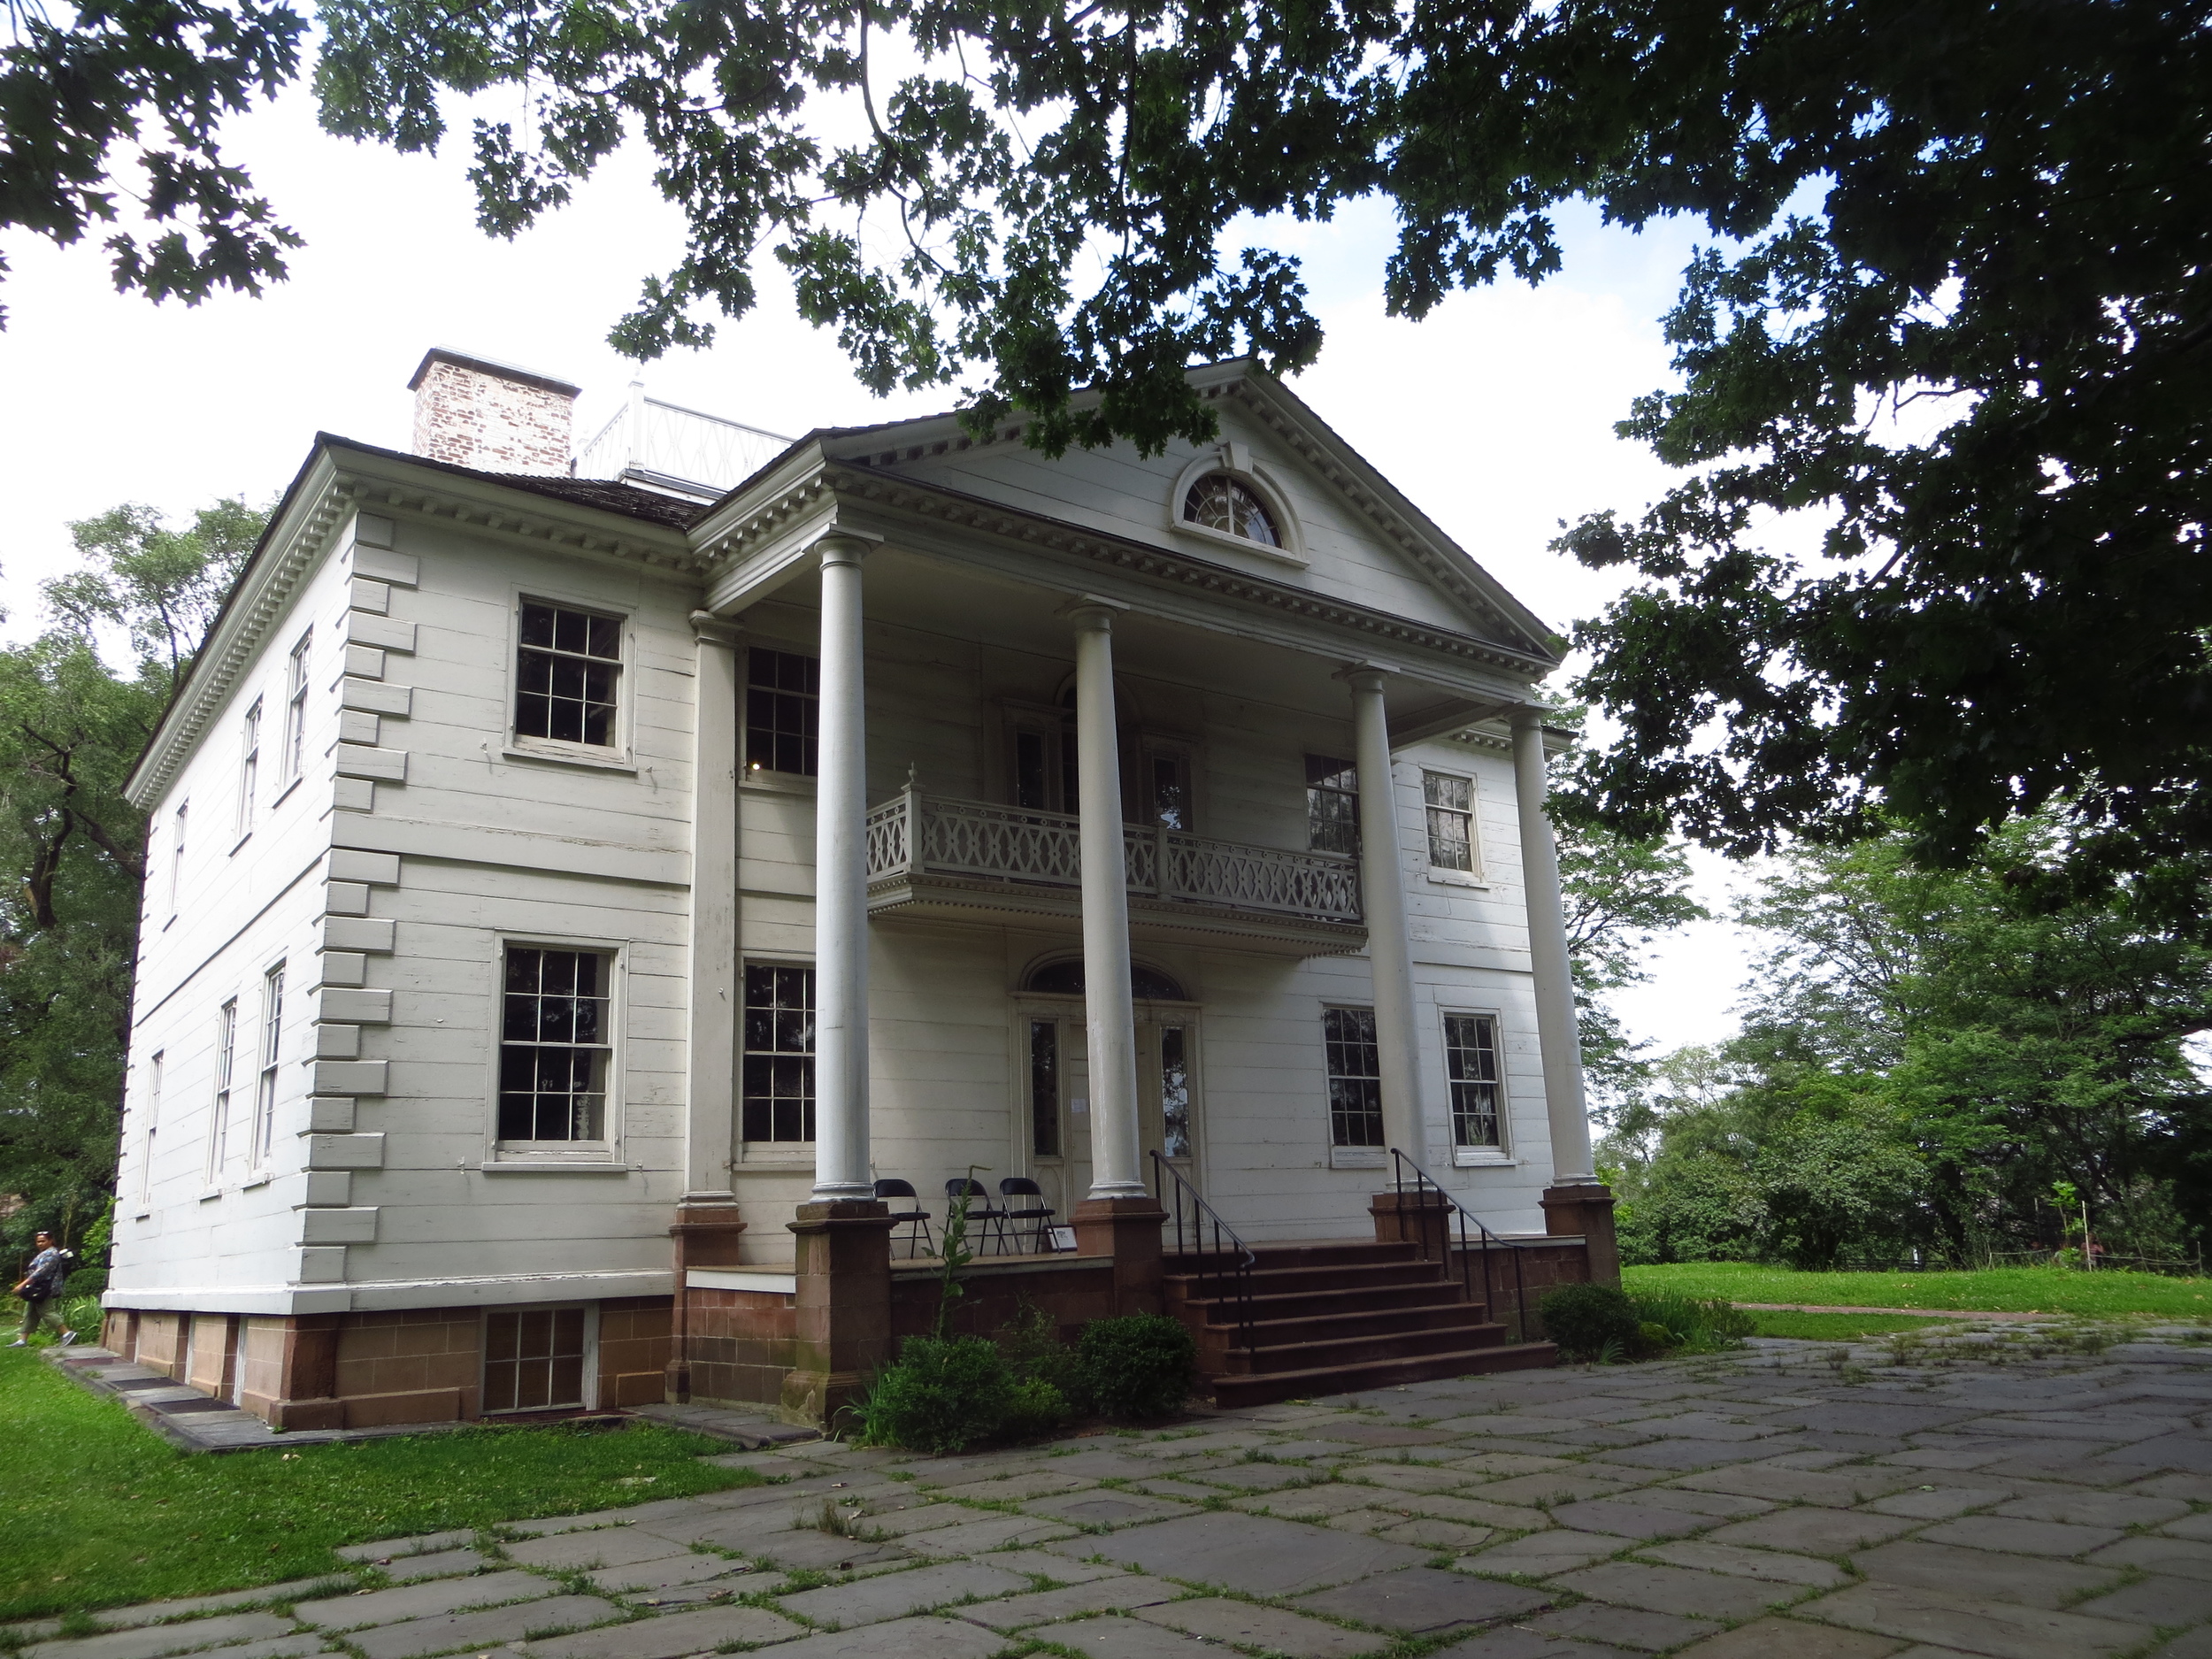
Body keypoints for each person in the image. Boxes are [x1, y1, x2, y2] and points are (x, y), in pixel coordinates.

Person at [10, 1232, 76, 1348]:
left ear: (50, 1241)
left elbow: (40, 1272)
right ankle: (22, 1340)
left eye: (43, 1241)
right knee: (30, 1313)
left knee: (47, 1312)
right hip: (36, 1288)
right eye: (38, 1241)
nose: (40, 1244)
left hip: (44, 1289)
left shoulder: (51, 1254)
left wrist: (22, 1285)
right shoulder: (44, 1253)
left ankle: (67, 1333)